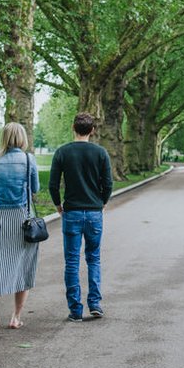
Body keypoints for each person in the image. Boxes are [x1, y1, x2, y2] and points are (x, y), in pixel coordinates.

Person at [49, 112, 113, 322]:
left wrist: (59, 205)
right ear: (92, 130)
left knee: (72, 261)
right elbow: (108, 183)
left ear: (72, 127)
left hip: (72, 212)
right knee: (93, 258)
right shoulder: (101, 152)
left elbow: (53, 184)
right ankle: (94, 303)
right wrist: (102, 202)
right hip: (94, 212)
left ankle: (75, 310)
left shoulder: (62, 152)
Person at [0, 122, 40, 337]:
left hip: (0, 218)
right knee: (23, 265)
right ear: (22, 138)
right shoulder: (28, 159)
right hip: (23, 218)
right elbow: (36, 188)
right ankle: (15, 317)